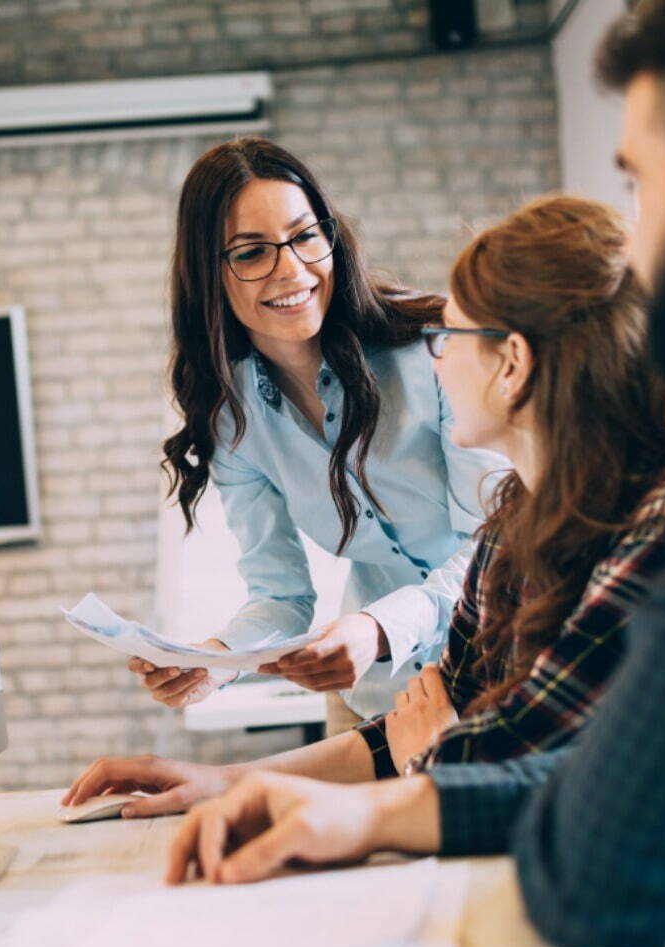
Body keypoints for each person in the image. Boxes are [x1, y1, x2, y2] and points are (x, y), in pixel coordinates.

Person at [161, 3, 665, 947]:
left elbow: (605, 851)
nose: (635, 255)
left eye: (639, 184)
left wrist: (427, 756)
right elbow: (607, 784)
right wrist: (353, 791)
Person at [64, 194, 665, 820]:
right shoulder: (511, 531)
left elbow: (517, 782)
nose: (437, 351)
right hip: (388, 704)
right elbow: (443, 735)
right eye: (253, 251)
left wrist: (424, 759)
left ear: (511, 363)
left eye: (451, 332)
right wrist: (217, 766)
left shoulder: (652, 537)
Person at [133, 137, 503, 735]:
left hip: (501, 676)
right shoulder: (234, 418)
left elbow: (493, 549)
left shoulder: (435, 350)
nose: (293, 271)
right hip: (377, 700)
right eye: (252, 253)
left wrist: (379, 629)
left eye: (306, 236)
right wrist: (216, 661)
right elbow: (281, 595)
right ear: (209, 274)